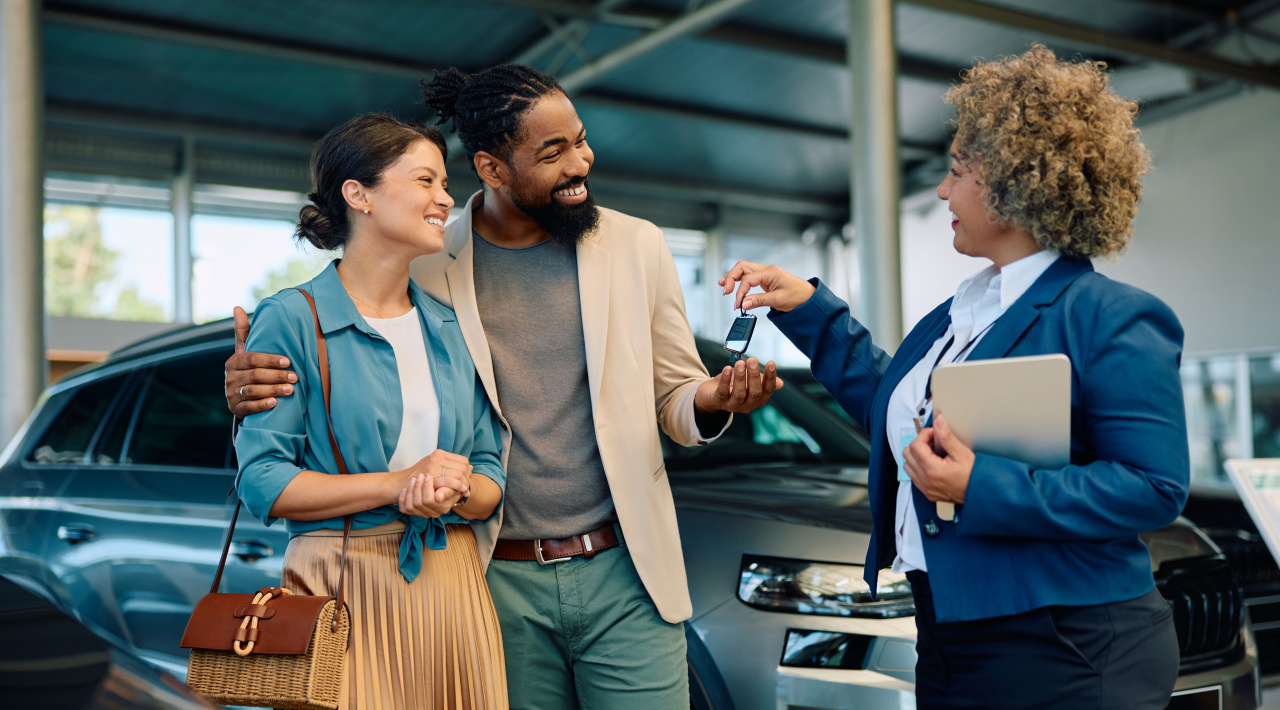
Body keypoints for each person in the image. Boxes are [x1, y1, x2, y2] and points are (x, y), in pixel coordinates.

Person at [225, 65, 781, 709]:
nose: (583, 161)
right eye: (554, 151)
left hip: (627, 569)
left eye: (580, 140)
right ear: (491, 169)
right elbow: (343, 337)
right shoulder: (428, 261)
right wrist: (246, 380)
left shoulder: (637, 246)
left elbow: (675, 394)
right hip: (488, 578)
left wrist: (712, 399)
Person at [719, 46, 1188, 709]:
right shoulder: (961, 312)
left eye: (958, 171)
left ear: (1015, 183)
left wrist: (979, 485)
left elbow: (1154, 486)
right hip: (948, 631)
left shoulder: (1113, 316)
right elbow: (898, 412)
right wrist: (810, 312)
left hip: (1068, 643)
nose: (942, 191)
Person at [234, 113, 508, 709]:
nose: (445, 198)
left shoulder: (448, 325)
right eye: (424, 181)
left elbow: (489, 474)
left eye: (443, 182)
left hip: (452, 587)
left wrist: (451, 490)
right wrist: (399, 483)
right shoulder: (292, 318)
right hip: (340, 588)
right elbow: (263, 482)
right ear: (358, 195)